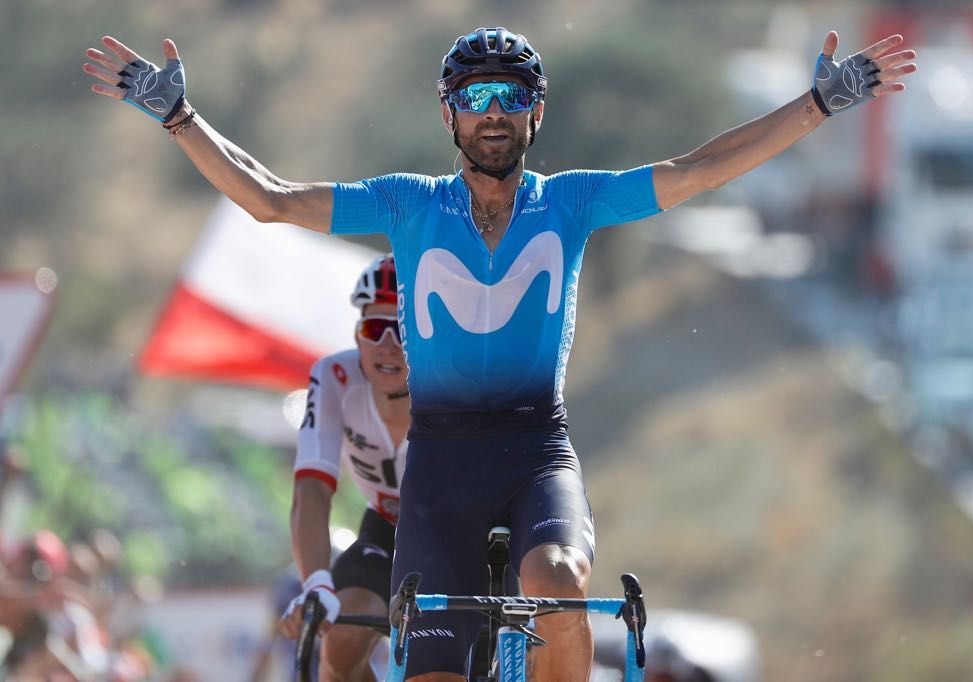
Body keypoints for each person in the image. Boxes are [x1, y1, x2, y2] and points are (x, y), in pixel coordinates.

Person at [84, 26, 915, 681]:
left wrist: (817, 105)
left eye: (511, 97)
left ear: (535, 114)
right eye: (475, 96)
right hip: (438, 462)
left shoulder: (574, 202)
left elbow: (697, 170)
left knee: (556, 580)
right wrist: (179, 118)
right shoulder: (407, 205)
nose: (493, 111)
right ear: (448, 115)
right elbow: (269, 199)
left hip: (534, 448)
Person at [276, 255, 409, 681]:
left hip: (463, 536)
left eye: (402, 329)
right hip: (387, 527)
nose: (387, 345)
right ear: (358, 334)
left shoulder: (453, 378)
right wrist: (316, 582)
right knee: (342, 640)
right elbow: (311, 490)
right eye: (374, 329)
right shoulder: (334, 378)